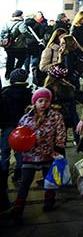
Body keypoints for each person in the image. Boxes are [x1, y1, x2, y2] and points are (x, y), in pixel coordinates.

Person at [9, 87, 66, 223]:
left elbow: (61, 131)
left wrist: (58, 147)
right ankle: (18, 206)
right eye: (40, 101)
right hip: (30, 155)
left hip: (48, 154)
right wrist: (19, 146)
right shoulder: (26, 117)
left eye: (46, 101)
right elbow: (20, 132)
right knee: (25, 182)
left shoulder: (55, 116)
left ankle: (49, 199)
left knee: (50, 181)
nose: (43, 104)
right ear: (34, 102)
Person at [0, 68, 31, 213]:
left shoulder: (5, 93)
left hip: (7, 126)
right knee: (20, 152)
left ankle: (4, 172)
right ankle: (19, 172)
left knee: (5, 152)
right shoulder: (28, 93)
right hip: (22, 128)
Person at [2, 10, 29, 80]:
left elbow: (2, 33)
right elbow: (24, 31)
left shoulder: (7, 22)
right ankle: (16, 72)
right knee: (23, 58)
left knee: (10, 59)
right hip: (19, 46)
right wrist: (31, 37)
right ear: (20, 15)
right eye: (22, 15)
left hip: (8, 45)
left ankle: (7, 75)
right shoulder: (21, 23)